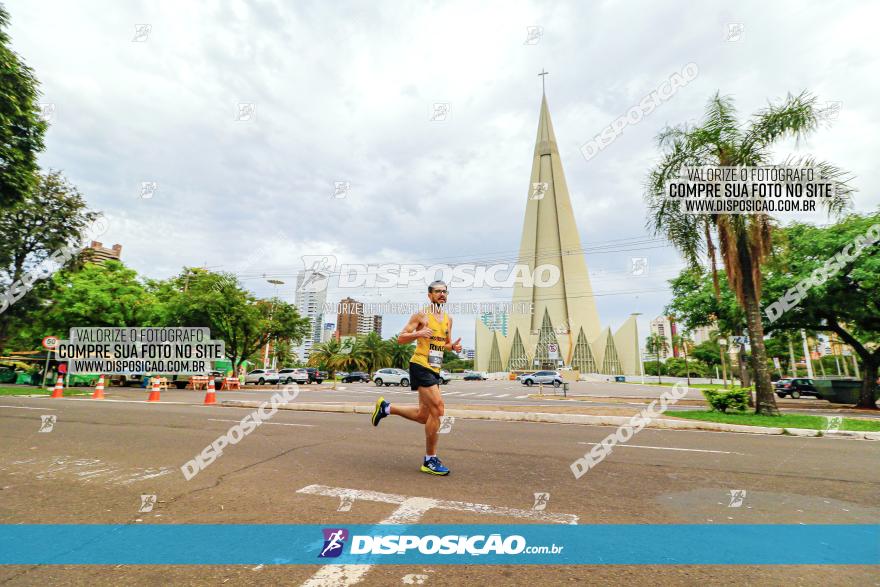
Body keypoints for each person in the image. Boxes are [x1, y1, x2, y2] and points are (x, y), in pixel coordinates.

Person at [371, 280, 461, 475]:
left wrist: (452, 347)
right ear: (429, 295)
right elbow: (401, 338)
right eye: (437, 292)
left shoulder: (448, 319)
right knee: (438, 408)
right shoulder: (421, 315)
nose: (442, 294)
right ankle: (430, 460)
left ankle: (386, 408)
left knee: (424, 415)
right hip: (420, 365)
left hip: (435, 367)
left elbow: (444, 344)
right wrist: (419, 332)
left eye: (444, 292)